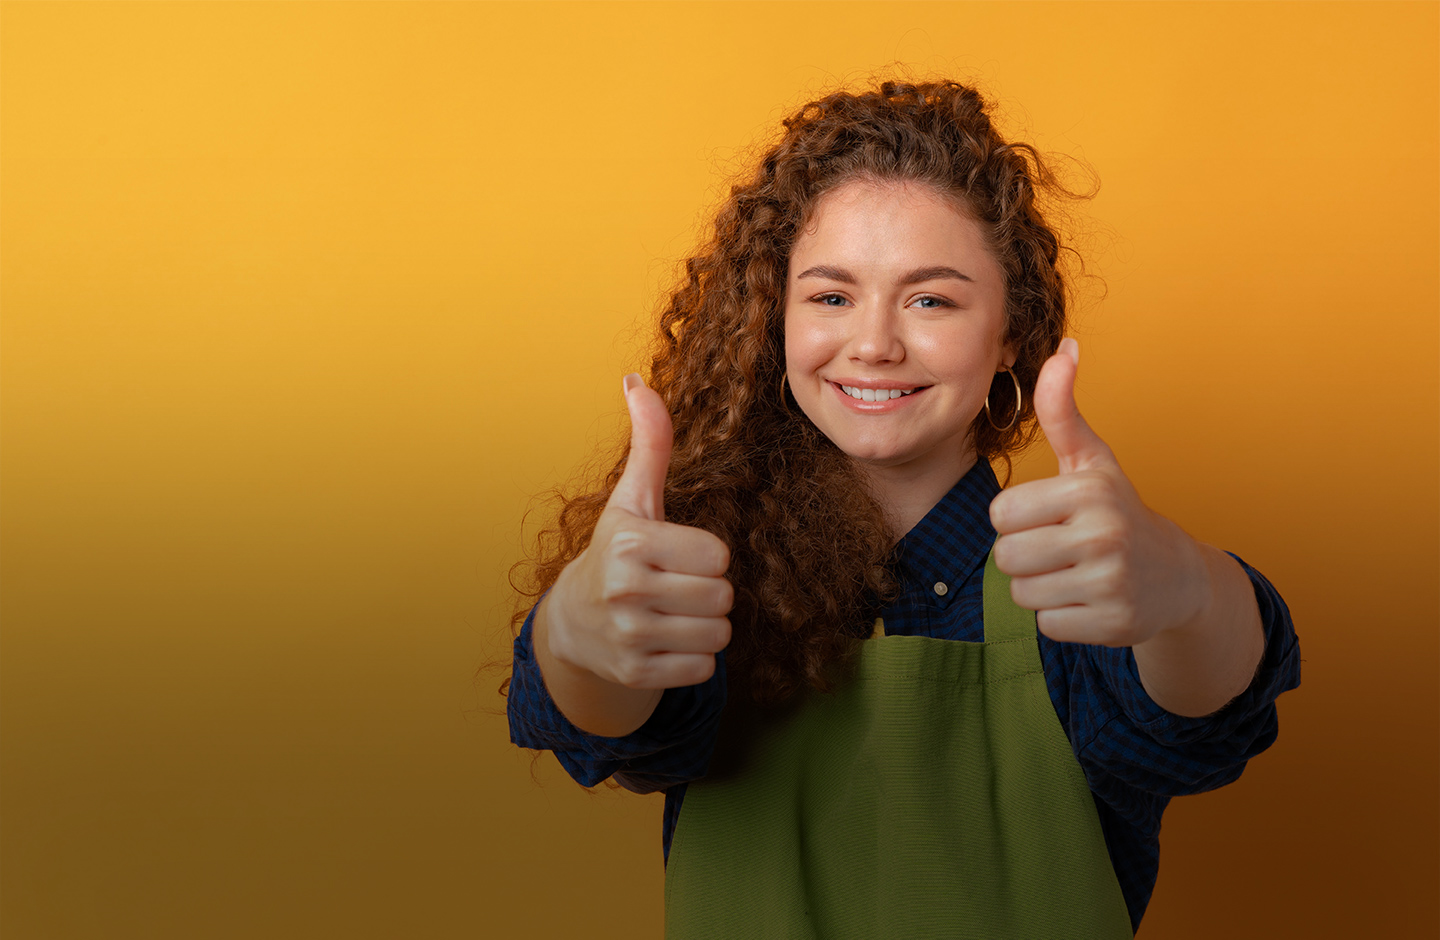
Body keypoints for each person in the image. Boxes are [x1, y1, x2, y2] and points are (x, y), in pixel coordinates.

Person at [505, 80, 1300, 937]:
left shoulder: (1083, 584)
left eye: (931, 299)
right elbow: (610, 724)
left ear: (1011, 336)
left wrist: (1184, 588)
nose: (876, 342)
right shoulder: (706, 575)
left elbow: (1206, 717)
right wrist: (573, 633)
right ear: (775, 324)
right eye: (831, 296)